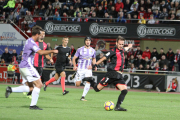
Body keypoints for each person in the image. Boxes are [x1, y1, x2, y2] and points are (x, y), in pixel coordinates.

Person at [5, 25, 58, 110]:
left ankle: (10, 89)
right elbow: (40, 52)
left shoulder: (28, 41)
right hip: (27, 66)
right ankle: (33, 105)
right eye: (40, 34)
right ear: (37, 34)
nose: (41, 36)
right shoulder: (31, 42)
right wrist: (52, 50)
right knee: (39, 84)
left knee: (31, 88)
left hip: (23, 66)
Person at [83, 36, 132, 111]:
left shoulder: (122, 50)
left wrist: (129, 46)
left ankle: (117, 107)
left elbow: (126, 48)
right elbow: (104, 58)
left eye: (122, 44)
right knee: (97, 89)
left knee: (124, 90)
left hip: (118, 76)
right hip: (112, 74)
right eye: (120, 44)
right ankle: (91, 80)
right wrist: (95, 64)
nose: (121, 46)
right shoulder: (112, 51)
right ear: (116, 43)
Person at [25, 29, 53, 98]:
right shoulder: (34, 43)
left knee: (37, 81)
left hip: (40, 65)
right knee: (31, 80)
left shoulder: (45, 45)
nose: (43, 35)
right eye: (42, 33)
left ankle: (33, 93)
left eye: (44, 34)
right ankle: (30, 90)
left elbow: (45, 54)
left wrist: (49, 58)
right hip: (33, 65)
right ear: (39, 34)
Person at [72, 37, 96, 101]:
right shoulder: (80, 49)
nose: (88, 41)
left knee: (89, 81)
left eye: (89, 40)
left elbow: (94, 58)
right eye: (86, 40)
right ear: (84, 41)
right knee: (77, 85)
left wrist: (95, 65)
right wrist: (74, 66)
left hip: (88, 69)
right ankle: (76, 75)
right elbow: (74, 58)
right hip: (80, 69)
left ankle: (83, 97)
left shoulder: (93, 50)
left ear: (90, 42)